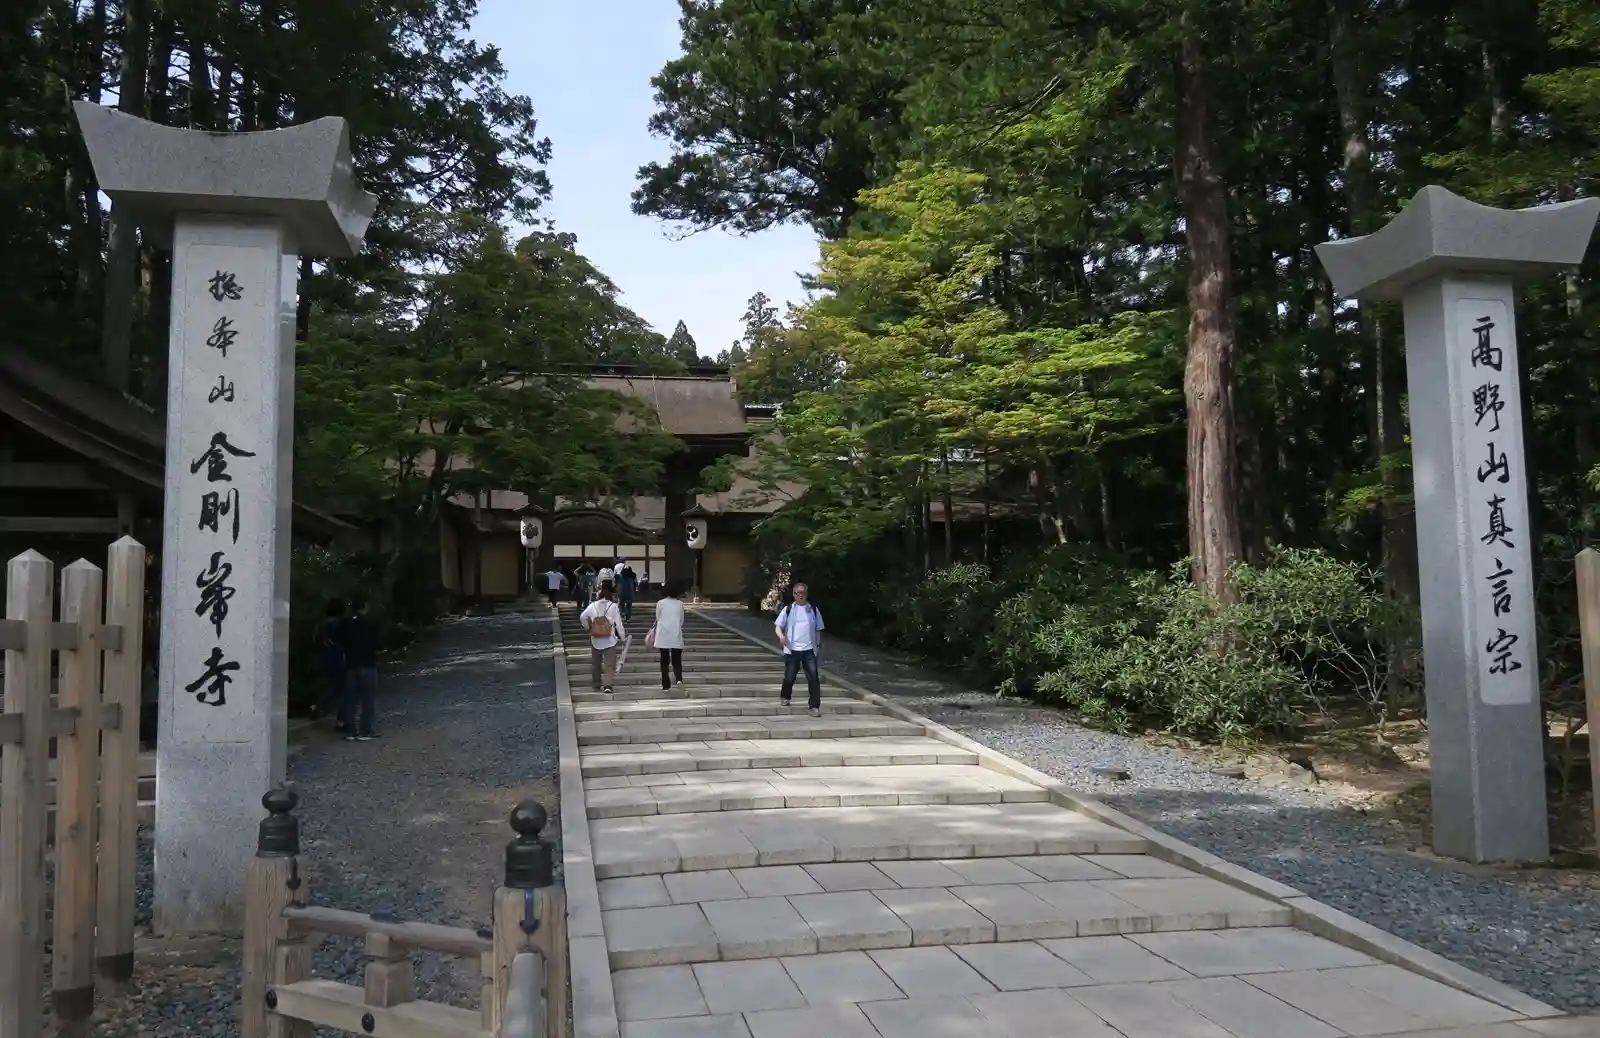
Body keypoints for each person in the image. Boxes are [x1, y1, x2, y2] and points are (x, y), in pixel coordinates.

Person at [774, 583, 825, 716]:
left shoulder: (813, 610)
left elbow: (818, 629)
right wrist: (781, 637)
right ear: (794, 594)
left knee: (813, 678)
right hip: (792, 650)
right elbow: (778, 626)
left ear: (806, 594)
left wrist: (817, 646)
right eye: (798, 593)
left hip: (809, 649)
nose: (801, 596)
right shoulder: (788, 609)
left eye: (803, 593)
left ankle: (814, 706)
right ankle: (785, 696)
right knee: (789, 676)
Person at [340, 595, 380, 741]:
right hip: (368, 663)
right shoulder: (371, 623)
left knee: (351, 699)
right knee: (368, 699)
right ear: (365, 607)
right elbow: (377, 642)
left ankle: (350, 730)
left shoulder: (345, 624)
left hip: (351, 664)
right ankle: (365, 730)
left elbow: (339, 641)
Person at [579, 581, 625, 695]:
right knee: (609, 664)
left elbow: (582, 617)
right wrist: (622, 637)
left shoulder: (592, 605)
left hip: (596, 638)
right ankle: (608, 685)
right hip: (610, 639)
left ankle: (596, 684)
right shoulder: (613, 606)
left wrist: (588, 627)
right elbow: (618, 623)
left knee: (596, 663)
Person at [311, 598, 346, 729]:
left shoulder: (322, 624)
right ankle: (341, 719)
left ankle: (317, 705)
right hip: (337, 657)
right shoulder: (339, 624)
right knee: (341, 688)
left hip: (324, 657)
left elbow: (316, 640)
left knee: (331, 685)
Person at [650, 580, 686, 691]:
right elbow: (681, 620)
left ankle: (665, 684)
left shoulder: (660, 603)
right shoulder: (680, 604)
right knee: (677, 660)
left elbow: (658, 617)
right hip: (676, 634)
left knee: (664, 660)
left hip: (663, 634)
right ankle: (679, 679)